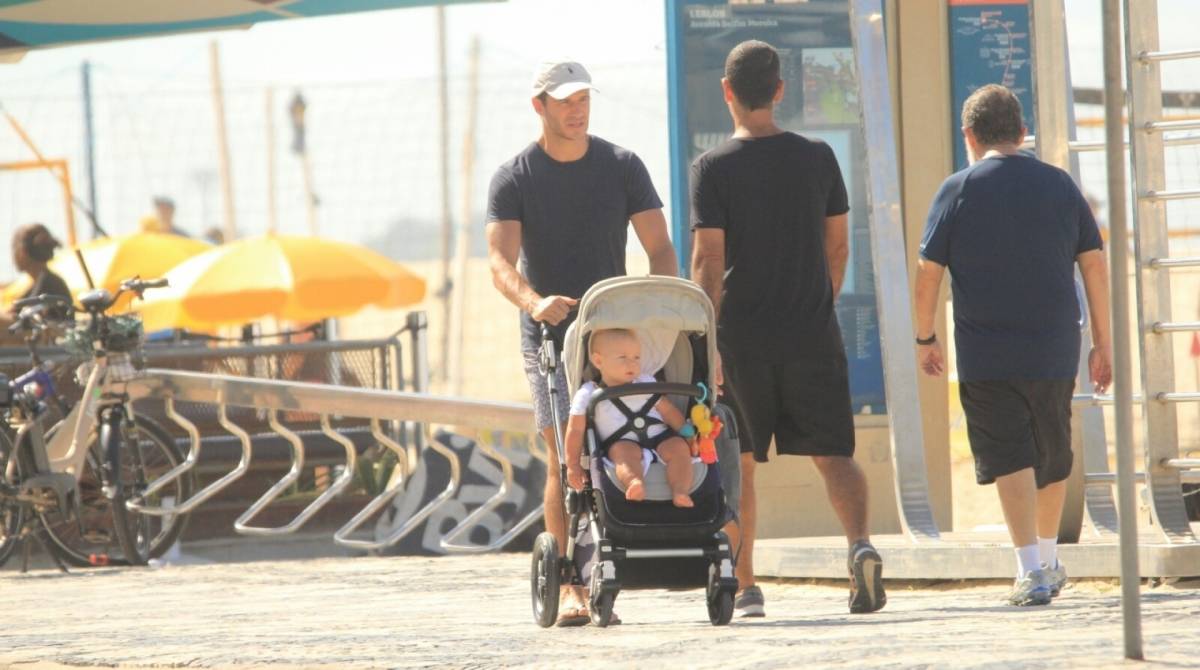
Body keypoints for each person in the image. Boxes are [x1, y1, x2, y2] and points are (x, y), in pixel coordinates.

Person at [690, 40, 885, 618]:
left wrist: (706, 339)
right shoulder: (819, 157)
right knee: (834, 453)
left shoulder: (712, 167)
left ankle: (746, 586)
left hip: (742, 337)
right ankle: (860, 546)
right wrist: (816, 302)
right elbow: (840, 245)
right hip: (811, 332)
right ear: (779, 91)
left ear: (727, 92)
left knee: (739, 462)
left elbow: (706, 260)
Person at [486, 59, 677, 626]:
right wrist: (532, 301)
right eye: (565, 100)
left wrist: (658, 298)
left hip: (612, 334)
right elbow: (498, 260)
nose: (578, 109)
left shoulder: (621, 165)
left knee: (632, 439)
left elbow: (660, 247)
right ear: (539, 106)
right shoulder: (515, 176)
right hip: (548, 336)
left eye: (584, 99)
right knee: (564, 458)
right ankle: (569, 581)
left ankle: (616, 563)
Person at [915, 84, 1112, 606]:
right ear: (1023, 132)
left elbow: (928, 273)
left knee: (1010, 455)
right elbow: (1094, 263)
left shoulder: (956, 189)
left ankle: (1029, 569)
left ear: (969, 136)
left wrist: (925, 337)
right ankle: (1046, 559)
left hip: (986, 354)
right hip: (1054, 347)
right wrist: (1103, 342)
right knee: (1050, 453)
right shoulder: (1060, 186)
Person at [564, 329, 696, 508]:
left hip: (660, 436)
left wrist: (687, 433)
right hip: (620, 441)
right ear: (598, 361)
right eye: (623, 358)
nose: (632, 364)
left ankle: (680, 490)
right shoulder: (588, 393)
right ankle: (634, 482)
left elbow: (668, 411)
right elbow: (576, 430)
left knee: (679, 449)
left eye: (636, 358)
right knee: (623, 455)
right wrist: (572, 464)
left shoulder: (646, 382)